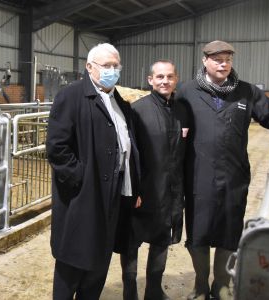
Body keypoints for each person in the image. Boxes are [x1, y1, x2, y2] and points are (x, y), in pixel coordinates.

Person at [176, 40, 269, 300]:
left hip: (234, 177)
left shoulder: (247, 92)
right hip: (198, 176)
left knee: (229, 231)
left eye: (228, 59)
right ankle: (200, 285)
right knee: (198, 233)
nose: (224, 63)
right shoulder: (186, 91)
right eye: (218, 59)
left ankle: (220, 284)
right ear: (205, 61)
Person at [46, 43, 139, 299]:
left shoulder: (119, 101)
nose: (112, 70)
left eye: (115, 65)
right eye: (106, 65)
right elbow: (57, 147)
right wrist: (80, 179)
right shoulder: (72, 96)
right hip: (82, 197)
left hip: (112, 196)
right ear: (89, 67)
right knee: (73, 263)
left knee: (99, 263)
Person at [119, 60, 188, 300]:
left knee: (161, 241)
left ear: (176, 79)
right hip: (142, 191)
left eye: (169, 76)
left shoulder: (182, 110)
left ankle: (153, 291)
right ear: (150, 80)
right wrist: (133, 189)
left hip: (169, 191)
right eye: (159, 77)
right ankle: (130, 292)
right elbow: (129, 154)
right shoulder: (137, 110)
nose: (165, 81)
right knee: (131, 243)